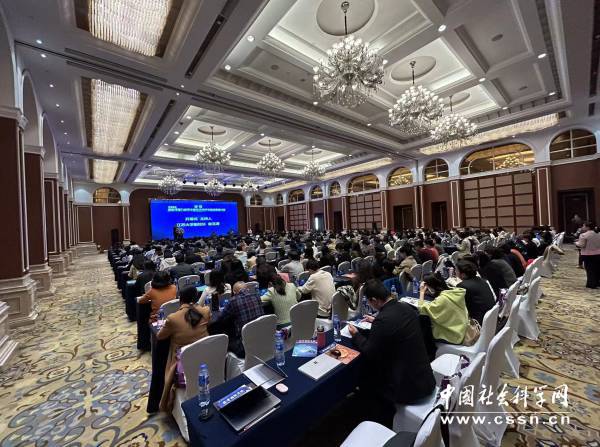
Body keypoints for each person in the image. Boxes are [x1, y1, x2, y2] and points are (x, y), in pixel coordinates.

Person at [348, 279, 436, 428]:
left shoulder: (384, 320)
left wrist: (356, 335)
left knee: (366, 375)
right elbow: (394, 326)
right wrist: (376, 320)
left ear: (374, 300)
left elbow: (370, 351)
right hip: (424, 376)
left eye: (369, 302)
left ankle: (376, 420)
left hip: (408, 388)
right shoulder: (405, 308)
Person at [157, 285, 210, 411]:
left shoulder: (173, 318)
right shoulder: (205, 311)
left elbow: (160, 336)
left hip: (183, 364)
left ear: (180, 299)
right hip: (206, 356)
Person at [418, 273, 469, 354]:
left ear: (430, 287)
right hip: (462, 328)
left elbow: (422, 309)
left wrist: (421, 292)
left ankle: (430, 354)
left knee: (425, 328)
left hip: (454, 336)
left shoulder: (442, 300)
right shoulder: (455, 292)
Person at [212, 282, 264, 357]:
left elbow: (220, 318)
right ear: (247, 289)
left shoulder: (233, 301)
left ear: (234, 292)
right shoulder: (257, 296)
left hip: (243, 346)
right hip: (262, 338)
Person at [455, 259, 496, 325]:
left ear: (463, 274)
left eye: (456, 270)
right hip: (492, 318)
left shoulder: (462, 286)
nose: (455, 272)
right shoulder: (482, 280)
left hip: (479, 323)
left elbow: (459, 307)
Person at [575, 221, 600, 289]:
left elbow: (582, 245)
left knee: (589, 269)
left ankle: (591, 283)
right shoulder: (598, 233)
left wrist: (576, 243)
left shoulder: (583, 235)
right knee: (597, 268)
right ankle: (597, 282)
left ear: (587, 227)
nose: (582, 227)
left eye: (583, 226)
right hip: (598, 253)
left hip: (587, 254)